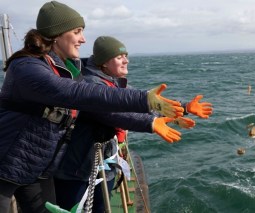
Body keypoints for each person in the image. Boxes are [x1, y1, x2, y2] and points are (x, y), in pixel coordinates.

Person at [0, 1, 185, 213]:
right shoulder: (27, 67)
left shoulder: (67, 68)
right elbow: (78, 93)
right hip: (6, 164)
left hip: (36, 168)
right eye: (77, 31)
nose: (83, 39)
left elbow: (105, 96)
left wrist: (178, 109)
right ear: (57, 34)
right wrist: (144, 100)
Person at [53, 36, 213, 212]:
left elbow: (145, 104)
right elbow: (112, 113)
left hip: (101, 163)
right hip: (78, 170)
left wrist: (185, 107)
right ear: (104, 62)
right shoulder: (91, 85)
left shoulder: (113, 82)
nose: (126, 60)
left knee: (102, 206)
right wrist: (151, 123)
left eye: (126, 56)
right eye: (120, 57)